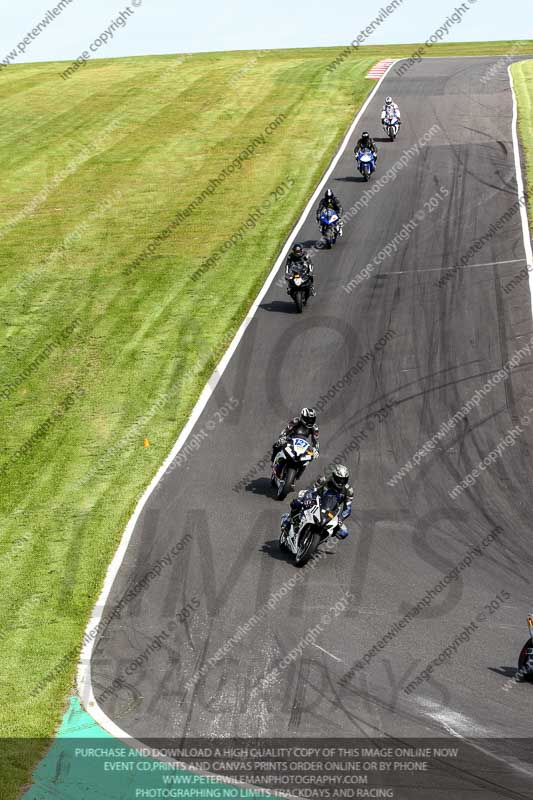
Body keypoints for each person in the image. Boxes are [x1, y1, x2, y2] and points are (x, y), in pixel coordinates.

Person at [281, 464, 354, 540]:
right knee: (297, 502)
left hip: (331, 512)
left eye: (344, 480)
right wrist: (308, 499)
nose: (341, 482)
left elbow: (348, 508)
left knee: (343, 533)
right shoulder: (324, 480)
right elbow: (312, 490)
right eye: (339, 479)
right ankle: (288, 520)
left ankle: (321, 537)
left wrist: (340, 519)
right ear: (334, 476)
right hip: (317, 502)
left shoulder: (349, 491)